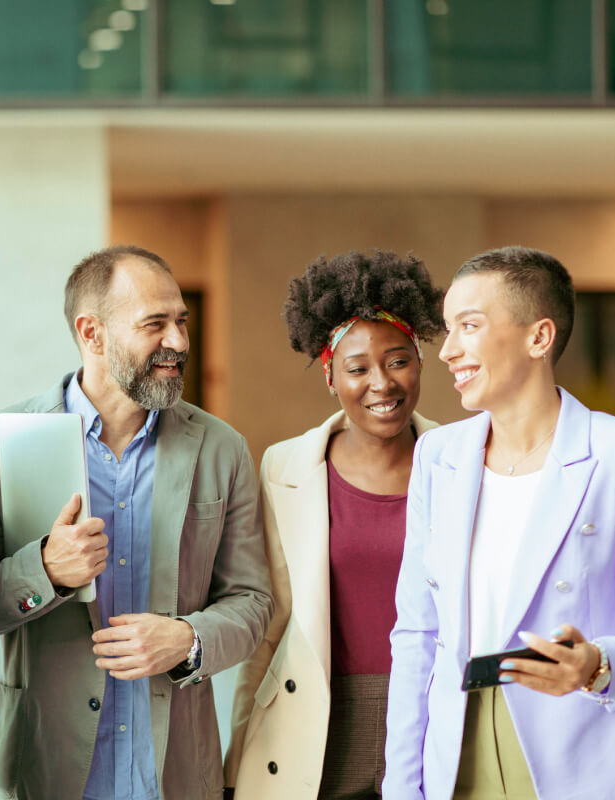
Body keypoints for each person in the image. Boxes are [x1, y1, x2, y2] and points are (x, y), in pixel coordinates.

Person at [0, 244, 273, 800]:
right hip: (44, 769)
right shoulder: (1, 442)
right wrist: (44, 571)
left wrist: (188, 640)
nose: (178, 342)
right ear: (91, 333)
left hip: (173, 772)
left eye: (181, 322)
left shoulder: (222, 450)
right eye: (155, 324)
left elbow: (252, 600)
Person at [384, 246, 615, 800]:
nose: (448, 350)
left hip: (594, 751)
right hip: (459, 755)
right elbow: (417, 634)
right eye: (447, 330)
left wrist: (597, 664)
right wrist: (402, 786)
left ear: (538, 337)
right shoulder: (438, 456)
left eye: (468, 326)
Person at [225, 251, 445, 799]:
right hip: (316, 720)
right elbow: (270, 621)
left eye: (398, 360)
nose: (382, 383)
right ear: (329, 375)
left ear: (419, 360)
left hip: (434, 713)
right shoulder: (285, 466)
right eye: (357, 368)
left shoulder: (462, 462)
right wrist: (236, 758)